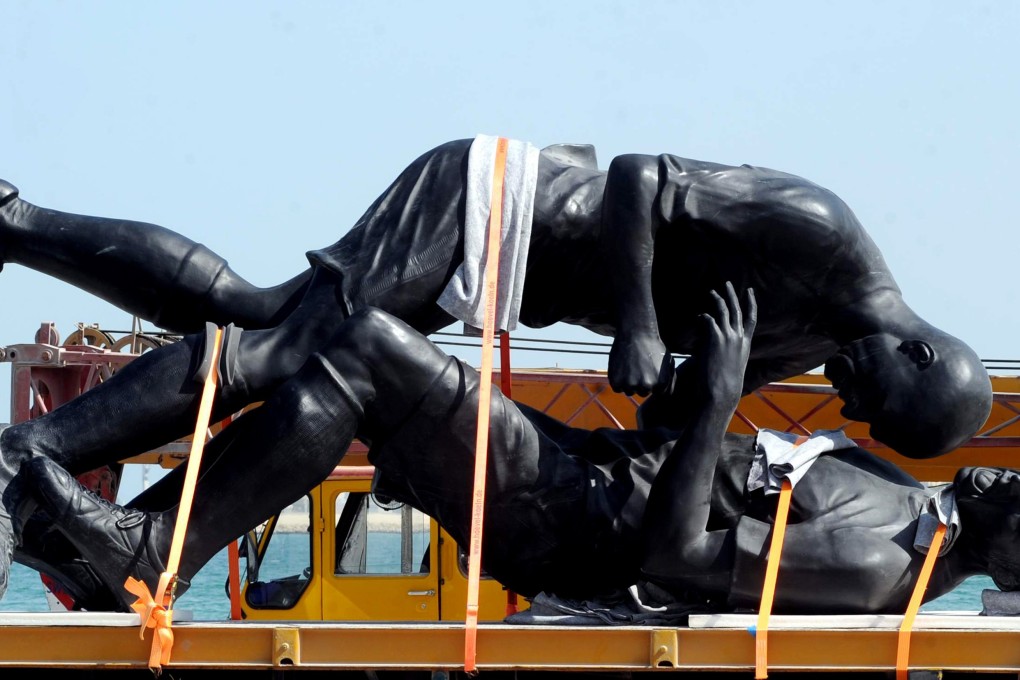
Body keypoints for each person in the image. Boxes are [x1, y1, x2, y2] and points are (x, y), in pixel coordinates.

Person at [0, 137, 992, 601]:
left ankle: (19, 228)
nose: (850, 407)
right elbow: (641, 178)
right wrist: (641, 326)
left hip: (509, 277)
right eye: (876, 400)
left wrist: (699, 392)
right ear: (920, 353)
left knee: (259, 318)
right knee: (279, 345)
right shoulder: (824, 235)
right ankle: (44, 463)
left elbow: (690, 397)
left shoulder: (808, 343)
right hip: (499, 206)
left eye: (865, 425)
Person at [18, 286, 1017, 615]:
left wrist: (716, 400)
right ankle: (143, 542)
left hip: (577, 522)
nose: (1009, 472)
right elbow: (710, 485)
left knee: (365, 341)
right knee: (342, 348)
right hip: (584, 470)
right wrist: (684, 397)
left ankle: (151, 548)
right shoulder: (901, 496)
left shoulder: (884, 561)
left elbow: (678, 558)